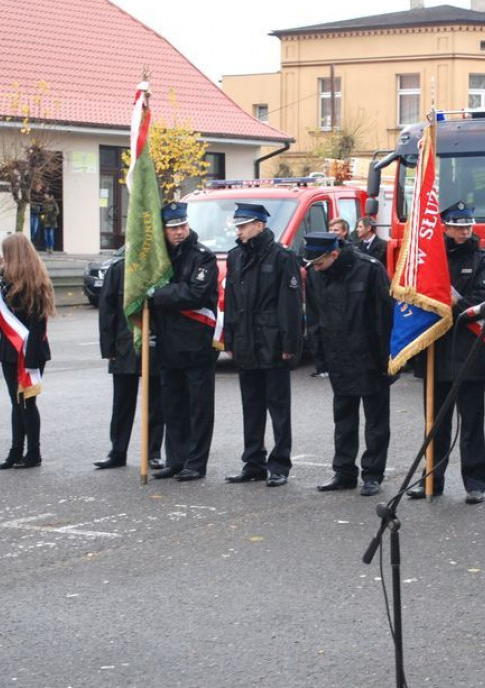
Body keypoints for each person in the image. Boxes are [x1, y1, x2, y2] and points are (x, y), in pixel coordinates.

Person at [407, 202, 485, 505]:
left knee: (471, 422)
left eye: (468, 226)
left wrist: (447, 302)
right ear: (444, 227)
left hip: (467, 350)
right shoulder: (431, 261)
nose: (464, 232)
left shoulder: (484, 260)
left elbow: (480, 304)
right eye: (458, 226)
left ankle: (475, 483)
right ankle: (432, 478)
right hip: (436, 348)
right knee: (435, 422)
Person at [304, 232, 394, 497]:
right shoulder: (317, 274)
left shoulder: (370, 269)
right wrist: (320, 357)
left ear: (334, 253)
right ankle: (343, 472)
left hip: (371, 358)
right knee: (343, 419)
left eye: (318, 262)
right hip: (338, 357)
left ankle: (373, 474)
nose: (315, 268)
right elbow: (315, 317)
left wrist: (388, 360)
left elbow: (385, 317)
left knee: (376, 422)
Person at [224, 202, 303, 488]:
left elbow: (290, 305)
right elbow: (232, 301)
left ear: (259, 225)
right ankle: (253, 462)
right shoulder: (236, 257)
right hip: (246, 341)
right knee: (251, 406)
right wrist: (230, 338)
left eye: (244, 226)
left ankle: (280, 464)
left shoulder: (282, 257)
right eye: (239, 226)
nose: (240, 231)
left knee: (278, 408)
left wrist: (289, 343)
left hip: (272, 341)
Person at [148, 202, 219, 482]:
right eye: (173, 228)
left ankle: (196, 462)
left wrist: (159, 294)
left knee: (198, 409)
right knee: (173, 406)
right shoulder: (160, 258)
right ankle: (176, 460)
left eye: (182, 226)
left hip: (196, 343)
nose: (179, 232)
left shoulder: (202, 256)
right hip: (168, 343)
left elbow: (195, 294)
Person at [93, 252, 165, 470]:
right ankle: (117, 450)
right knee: (122, 403)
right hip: (124, 345)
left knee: (155, 402)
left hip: (153, 344)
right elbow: (107, 311)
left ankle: (153, 452)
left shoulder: (159, 268)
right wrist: (108, 348)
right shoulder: (118, 270)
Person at [0, 233, 54, 469]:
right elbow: (2, 316)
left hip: (31, 351)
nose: (2, 257)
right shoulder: (3, 279)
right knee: (15, 402)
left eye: (6, 253)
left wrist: (30, 360)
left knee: (27, 402)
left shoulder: (35, 282)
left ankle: (33, 453)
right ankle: (15, 451)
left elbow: (38, 324)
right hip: (9, 349)